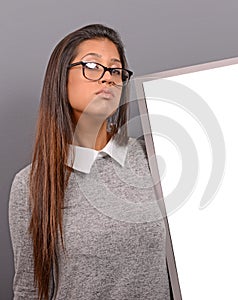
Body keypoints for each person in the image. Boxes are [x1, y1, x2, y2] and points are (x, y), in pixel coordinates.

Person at [9, 24, 171, 300]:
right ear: (61, 79)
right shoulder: (31, 184)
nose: (108, 78)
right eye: (93, 66)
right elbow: (29, 289)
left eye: (115, 70)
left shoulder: (152, 158)